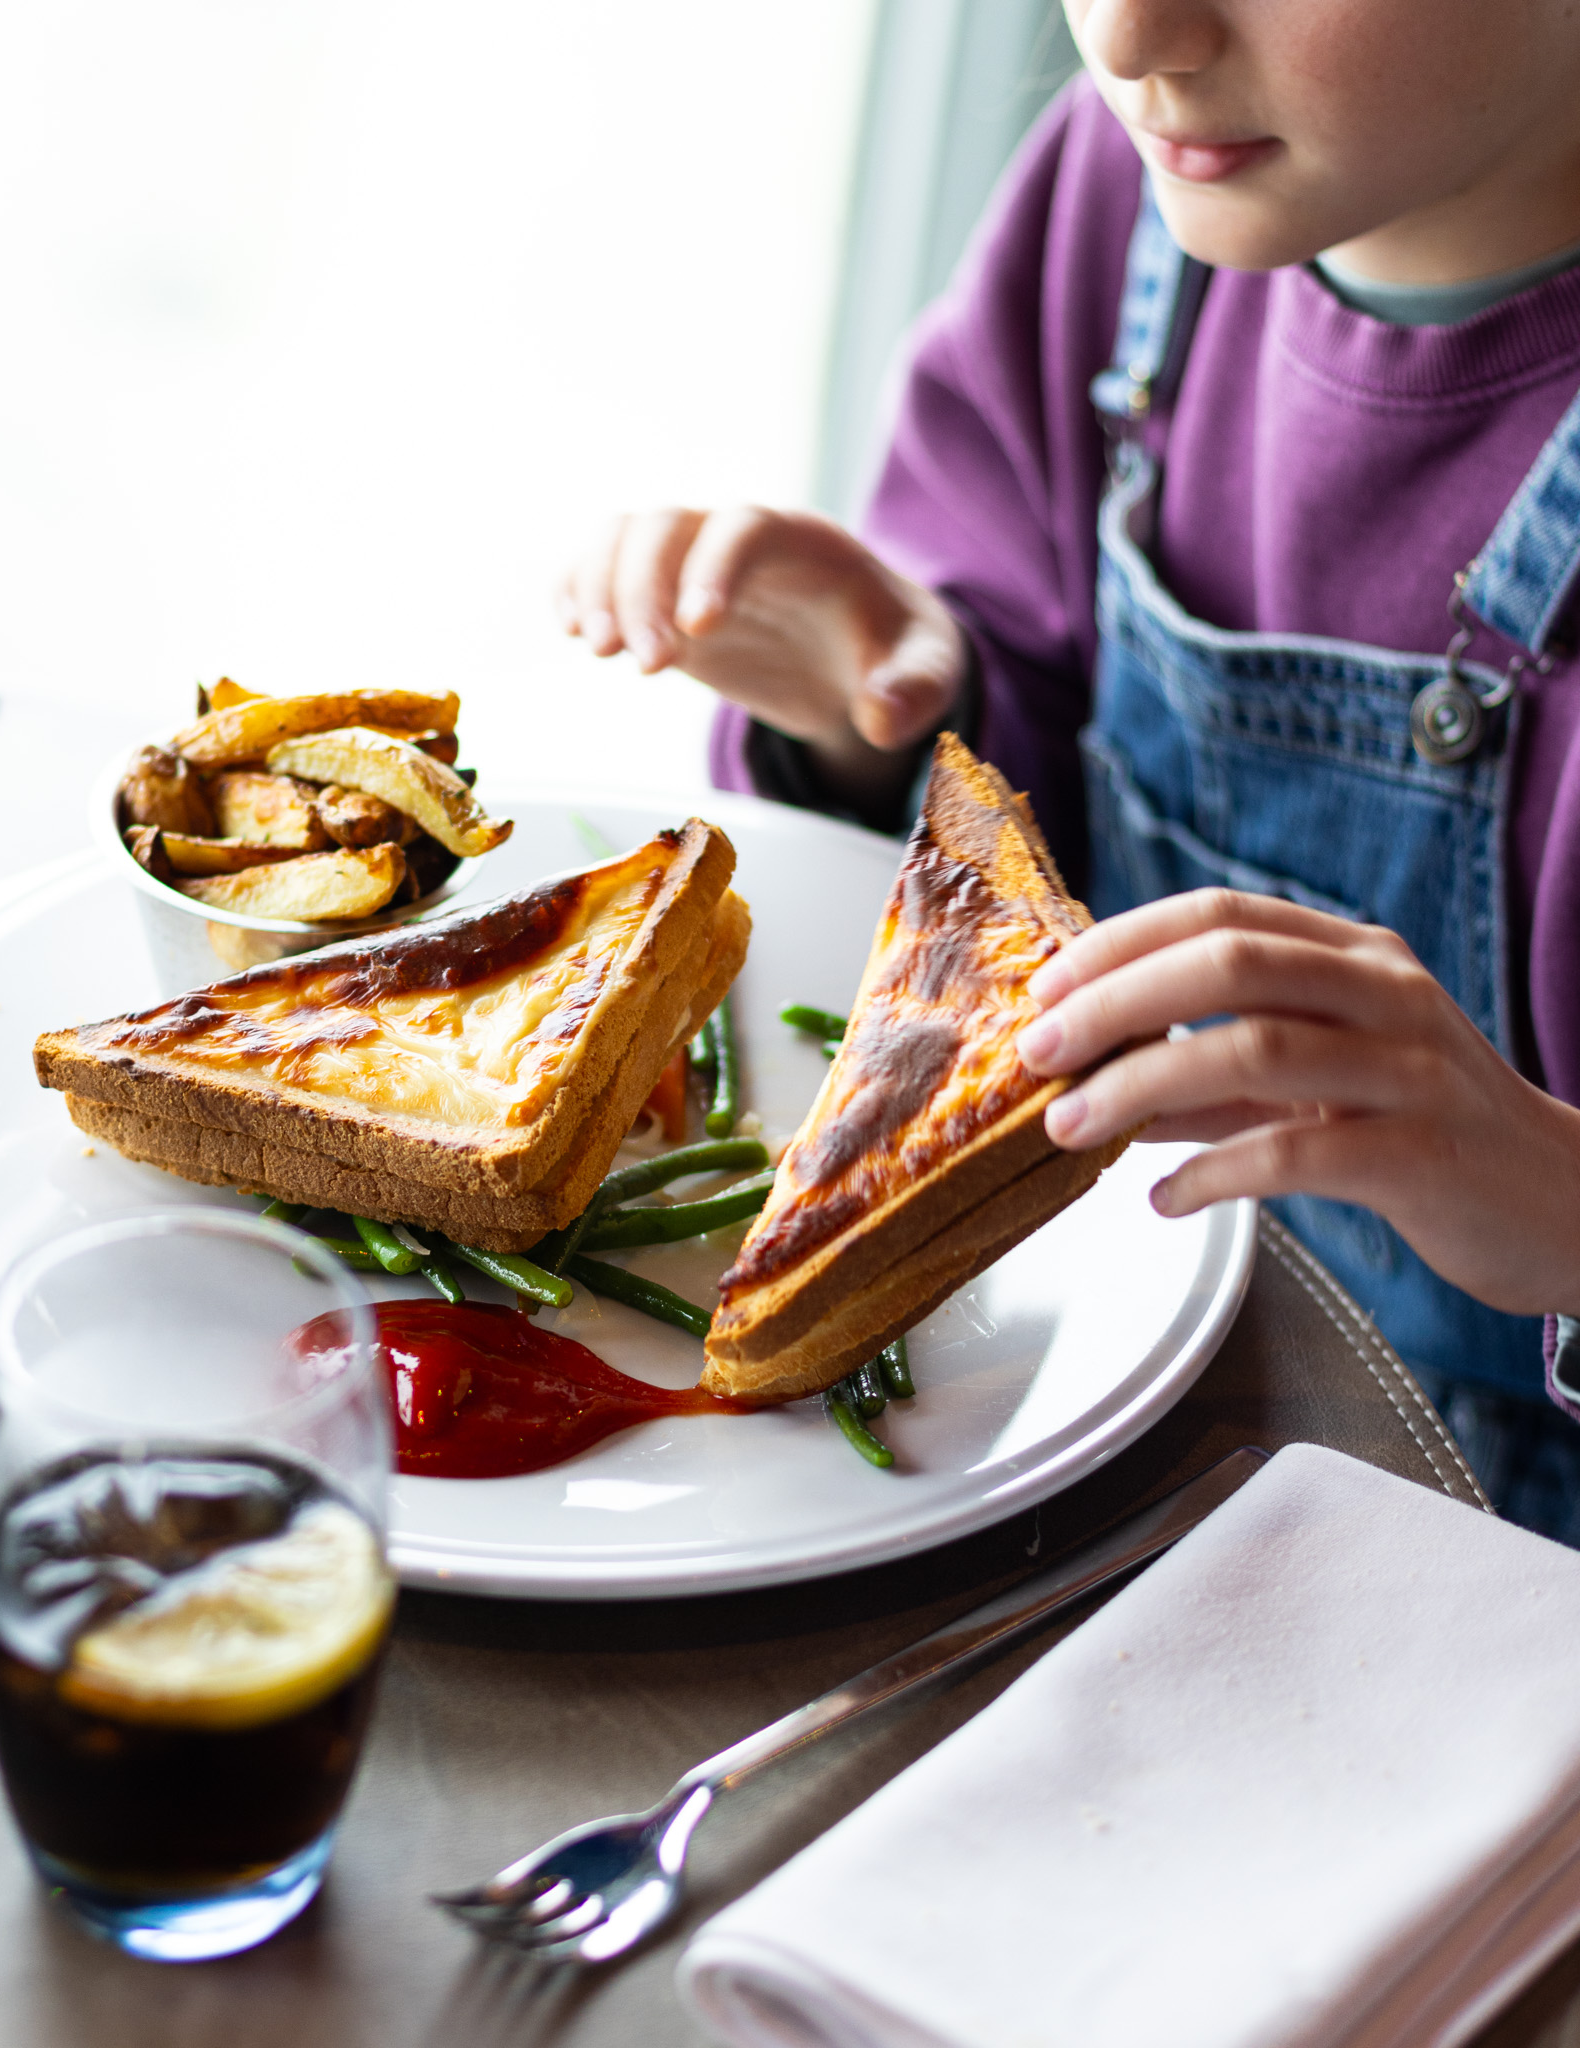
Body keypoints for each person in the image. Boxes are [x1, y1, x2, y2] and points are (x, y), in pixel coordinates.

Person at [558, 0, 1580, 1537]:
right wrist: (883, 718)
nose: (1125, 31)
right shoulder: (1132, 203)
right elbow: (1037, 793)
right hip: (1116, 1430)